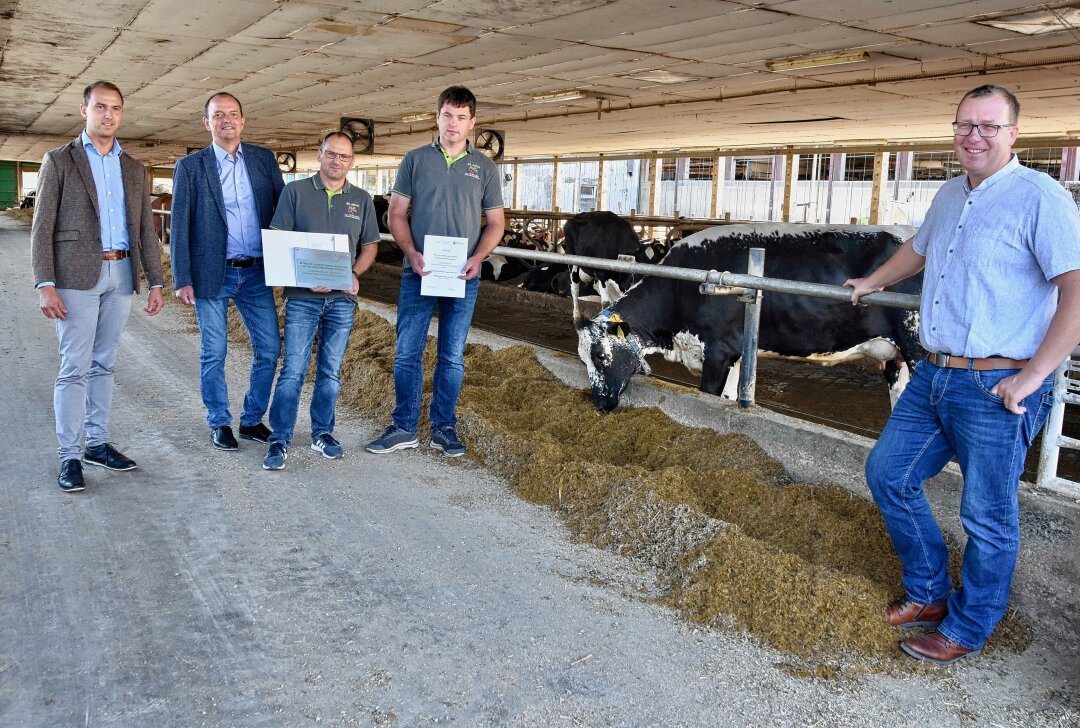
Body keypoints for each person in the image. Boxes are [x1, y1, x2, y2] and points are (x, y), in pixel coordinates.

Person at [845, 84, 1080, 665]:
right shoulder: (951, 193)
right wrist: (873, 281)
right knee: (888, 474)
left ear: (1014, 134)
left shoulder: (1041, 198)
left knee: (987, 515)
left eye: (988, 126)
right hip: (936, 373)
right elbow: (920, 249)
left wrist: (1032, 379)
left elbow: (1076, 293)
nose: (974, 136)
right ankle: (928, 593)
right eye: (964, 125)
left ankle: (968, 627)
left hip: (999, 384)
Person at [31, 81, 165, 493]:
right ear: (84, 110)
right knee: (74, 366)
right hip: (74, 277)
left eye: (116, 108)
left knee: (104, 363)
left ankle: (97, 443)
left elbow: (145, 228)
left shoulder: (134, 169)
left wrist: (156, 280)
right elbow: (41, 229)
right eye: (101, 107)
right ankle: (69, 456)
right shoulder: (59, 161)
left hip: (121, 274)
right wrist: (45, 283)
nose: (108, 115)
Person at [365, 86, 505, 458]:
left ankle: (444, 427)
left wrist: (479, 257)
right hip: (420, 271)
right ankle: (404, 426)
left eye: (461, 117)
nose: (453, 123)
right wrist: (410, 251)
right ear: (437, 117)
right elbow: (396, 213)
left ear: (472, 122)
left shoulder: (486, 168)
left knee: (452, 355)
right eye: (447, 115)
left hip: (463, 274)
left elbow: (495, 223)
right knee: (406, 351)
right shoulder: (414, 160)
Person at [170, 92, 285, 451]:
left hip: (255, 272)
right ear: (207, 123)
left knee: (269, 348)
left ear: (243, 120)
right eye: (218, 115)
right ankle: (219, 420)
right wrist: (181, 277)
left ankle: (251, 419)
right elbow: (180, 223)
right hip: (211, 272)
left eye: (233, 114)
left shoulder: (264, 160)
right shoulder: (191, 167)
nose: (226, 121)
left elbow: (284, 211)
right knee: (214, 351)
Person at [261, 132, 380, 470]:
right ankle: (279, 438)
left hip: (342, 300)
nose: (336, 161)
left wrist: (354, 274)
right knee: (294, 369)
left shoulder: (362, 199)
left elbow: (370, 245)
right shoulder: (295, 192)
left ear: (351, 161)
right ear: (319, 155)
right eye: (331, 154)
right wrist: (303, 277)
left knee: (331, 370)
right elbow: (280, 238)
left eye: (344, 156)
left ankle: (322, 433)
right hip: (302, 298)